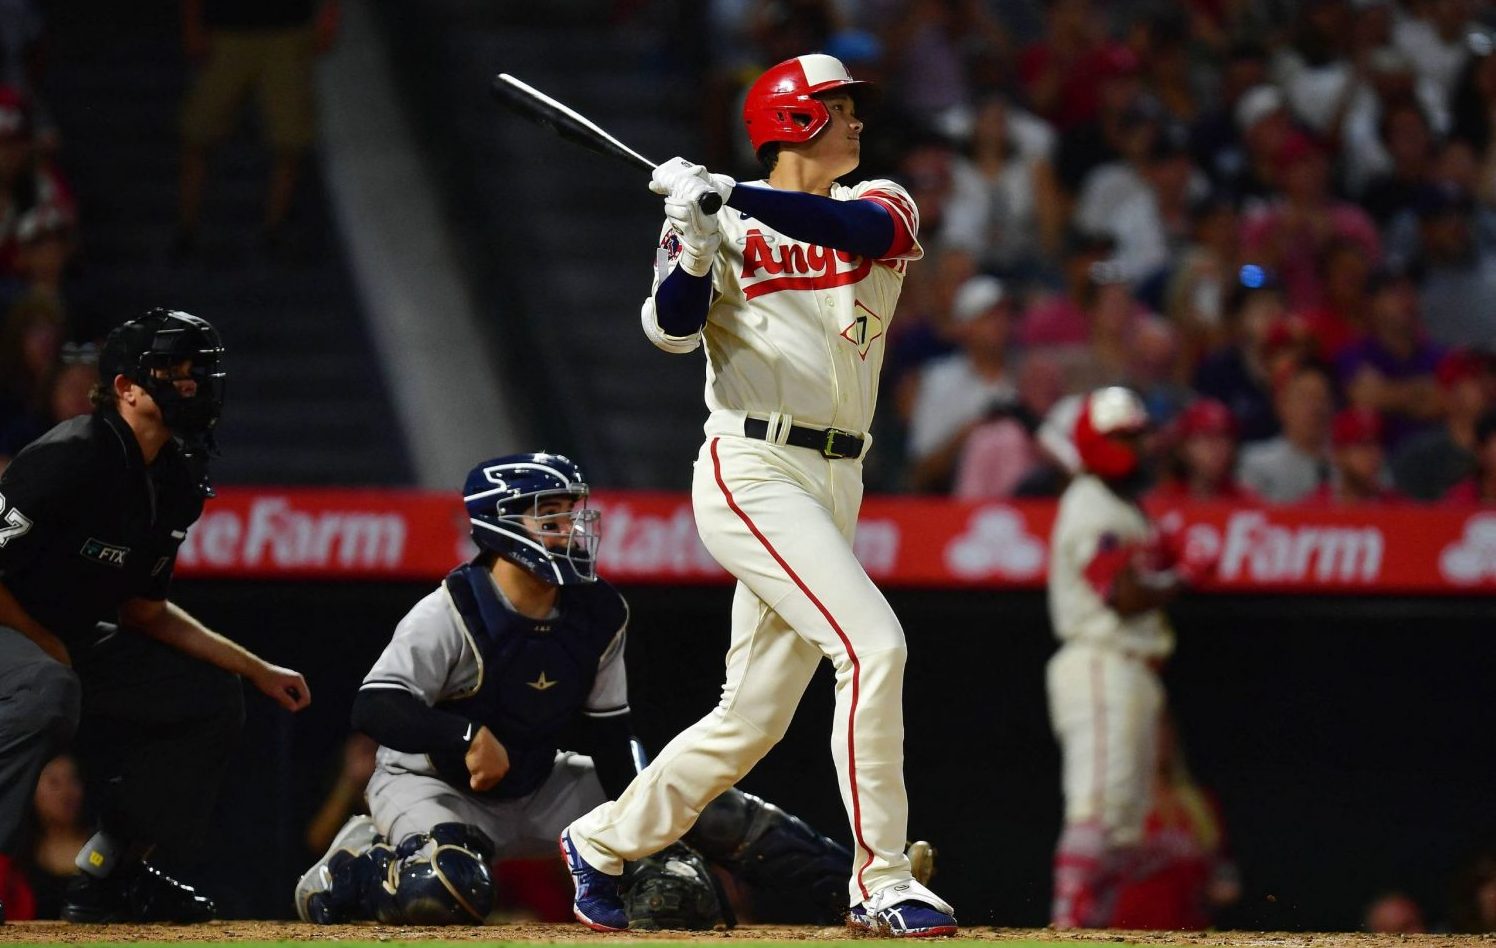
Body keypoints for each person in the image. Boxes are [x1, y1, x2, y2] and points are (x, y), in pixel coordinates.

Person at [561, 53, 956, 937]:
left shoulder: (876, 200)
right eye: (838, 109)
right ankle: (881, 879)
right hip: (754, 467)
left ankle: (602, 841)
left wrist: (732, 195)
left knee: (752, 718)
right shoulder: (711, 217)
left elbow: (871, 242)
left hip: (839, 475)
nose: (856, 124)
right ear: (794, 120)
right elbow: (670, 328)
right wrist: (696, 237)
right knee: (874, 647)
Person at [293, 453, 856, 929]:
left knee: (692, 798)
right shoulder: (448, 612)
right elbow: (374, 705)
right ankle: (354, 864)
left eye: (570, 512)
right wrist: (464, 735)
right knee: (442, 893)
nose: (570, 528)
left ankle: (855, 883)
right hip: (433, 785)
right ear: (501, 524)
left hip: (539, 788)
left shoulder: (599, 611)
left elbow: (610, 736)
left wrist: (648, 825)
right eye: (550, 515)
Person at [0, 308, 310, 924]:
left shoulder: (175, 480)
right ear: (125, 387)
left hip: (62, 643)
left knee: (208, 695)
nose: (191, 382)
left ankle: (110, 874)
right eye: (173, 369)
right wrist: (44, 643)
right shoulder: (70, 453)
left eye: (199, 370)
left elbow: (144, 611)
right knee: (48, 686)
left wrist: (256, 667)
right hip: (18, 631)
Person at [1045, 386, 1217, 929]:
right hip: (1101, 660)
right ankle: (1066, 925)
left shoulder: (1122, 505)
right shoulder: (1092, 504)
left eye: (1139, 436)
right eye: (1123, 437)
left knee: (1123, 825)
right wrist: (1181, 578)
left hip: (1132, 669)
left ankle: (1088, 923)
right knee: (1096, 811)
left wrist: (1165, 557)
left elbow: (1136, 574)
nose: (1137, 448)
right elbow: (1117, 593)